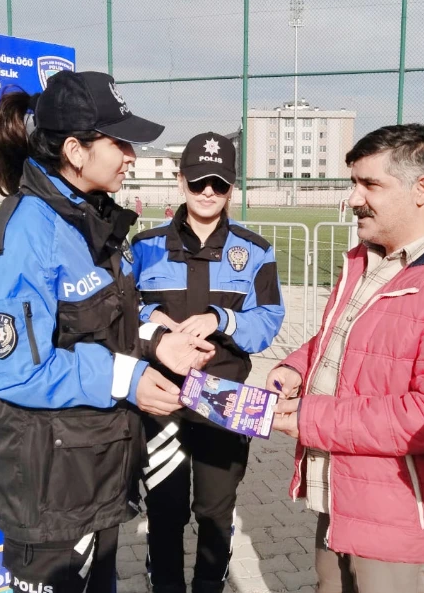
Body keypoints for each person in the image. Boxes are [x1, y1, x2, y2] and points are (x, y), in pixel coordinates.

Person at [0, 71, 216, 593]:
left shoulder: (92, 220)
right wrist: (127, 377)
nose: (131, 154)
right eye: (119, 141)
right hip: (51, 485)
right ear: (77, 151)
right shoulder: (22, 233)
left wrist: (155, 338)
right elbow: (13, 371)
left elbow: (100, 323)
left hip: (96, 466)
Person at [268, 123, 424, 593]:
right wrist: (294, 366)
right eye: (353, 183)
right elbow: (341, 339)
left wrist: (310, 417)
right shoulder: (366, 260)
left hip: (399, 517)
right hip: (341, 495)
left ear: (422, 190)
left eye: (370, 184)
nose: (354, 198)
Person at [130, 131, 285, 593]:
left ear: (232, 187)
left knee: (216, 510)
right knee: (165, 506)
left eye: (219, 184)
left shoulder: (255, 250)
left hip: (225, 402)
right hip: (162, 400)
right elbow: (117, 310)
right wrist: (150, 318)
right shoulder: (145, 246)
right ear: (181, 183)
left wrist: (222, 319)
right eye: (198, 183)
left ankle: (210, 586)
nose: (208, 193)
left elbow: (269, 320)